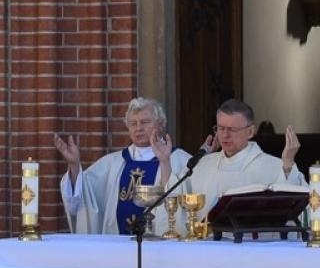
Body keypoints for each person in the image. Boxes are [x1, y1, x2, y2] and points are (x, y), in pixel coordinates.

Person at [53, 97, 191, 235]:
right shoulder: (112, 163)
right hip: (118, 244)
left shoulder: (180, 159)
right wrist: (74, 165)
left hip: (161, 246)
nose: (139, 128)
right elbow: (84, 192)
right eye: (133, 123)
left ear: (160, 124)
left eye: (145, 122)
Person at [184, 98, 303, 208]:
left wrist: (288, 163)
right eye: (221, 128)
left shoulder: (275, 166)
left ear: (250, 132)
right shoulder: (204, 164)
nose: (225, 135)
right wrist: (164, 162)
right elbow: (179, 199)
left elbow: (293, 205)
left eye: (232, 129)